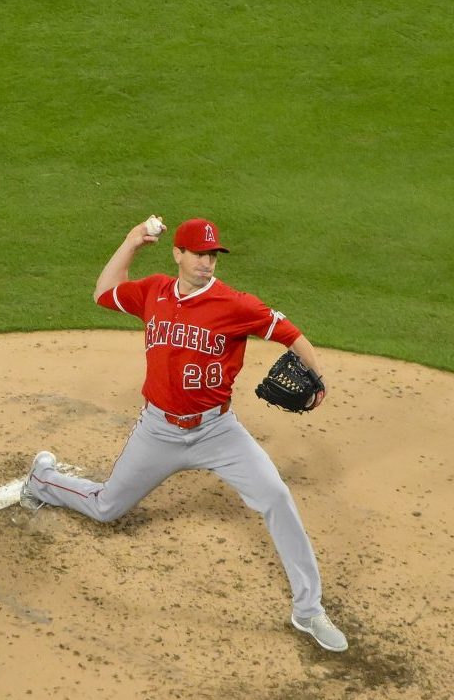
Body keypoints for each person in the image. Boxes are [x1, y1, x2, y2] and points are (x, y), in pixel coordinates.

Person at [22, 217, 348, 652]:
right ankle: (42, 480)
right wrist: (131, 242)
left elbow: (291, 334)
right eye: (198, 253)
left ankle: (309, 611)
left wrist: (318, 377)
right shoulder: (153, 291)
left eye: (212, 254)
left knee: (275, 496)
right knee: (106, 508)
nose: (207, 262)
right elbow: (103, 292)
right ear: (178, 254)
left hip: (218, 431)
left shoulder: (235, 304)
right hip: (157, 430)